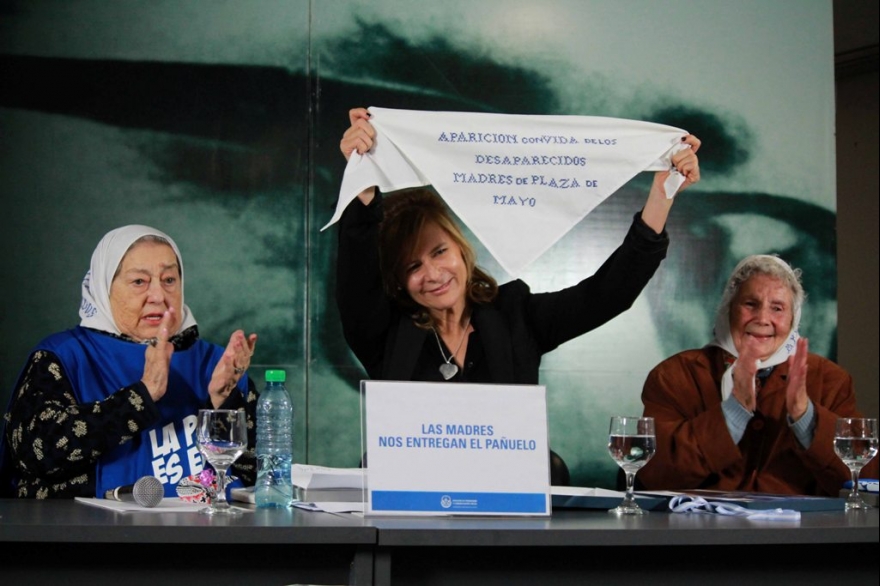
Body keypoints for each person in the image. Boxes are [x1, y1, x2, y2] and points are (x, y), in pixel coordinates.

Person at [336, 108, 702, 485]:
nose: (432, 274)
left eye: (439, 252)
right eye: (412, 267)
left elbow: (608, 294)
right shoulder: (382, 330)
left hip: (507, 515)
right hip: (411, 513)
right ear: (397, 281)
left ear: (460, 249)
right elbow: (356, 277)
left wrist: (661, 195)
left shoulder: (515, 315)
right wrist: (362, 183)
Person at [0, 225, 258, 499]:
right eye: (139, 282)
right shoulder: (64, 357)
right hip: (87, 536)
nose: (158, 296)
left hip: (203, 536)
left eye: (169, 280)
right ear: (103, 288)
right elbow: (35, 457)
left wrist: (224, 403)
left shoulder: (218, 364)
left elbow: (260, 477)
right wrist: (142, 395)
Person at [639, 254, 878, 496]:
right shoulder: (674, 375)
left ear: (794, 318)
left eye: (777, 308)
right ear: (727, 310)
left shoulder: (830, 380)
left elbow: (866, 479)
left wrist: (806, 416)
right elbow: (654, 474)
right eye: (750, 304)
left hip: (799, 532)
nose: (763, 319)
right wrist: (734, 411)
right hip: (701, 530)